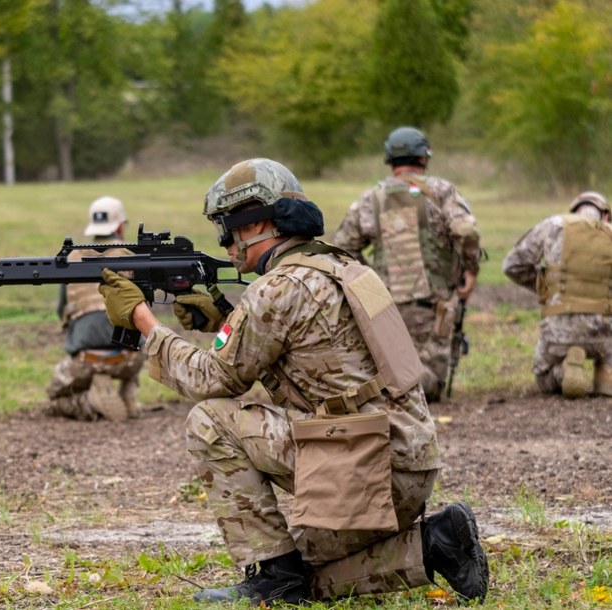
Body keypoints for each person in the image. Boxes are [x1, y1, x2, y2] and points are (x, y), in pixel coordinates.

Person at [97, 158, 489, 606]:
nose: (225, 242)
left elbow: (213, 379)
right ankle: (437, 542)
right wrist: (228, 320)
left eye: (229, 227)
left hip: (366, 468)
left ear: (259, 222)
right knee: (306, 575)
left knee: (210, 421)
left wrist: (142, 321)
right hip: (406, 462)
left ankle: (273, 577)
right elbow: (320, 357)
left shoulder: (277, 289)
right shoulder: (347, 267)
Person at [334, 127, 482, 402]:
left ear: (390, 161)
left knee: (395, 372)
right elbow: (467, 232)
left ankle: (388, 383)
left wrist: (370, 286)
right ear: (424, 159)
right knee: (430, 387)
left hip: (383, 307)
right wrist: (470, 269)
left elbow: (342, 246)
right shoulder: (441, 191)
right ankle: (407, 385)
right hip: (434, 306)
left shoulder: (371, 198)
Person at [503, 191, 612, 399]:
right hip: (606, 332)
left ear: (574, 212)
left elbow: (512, 265)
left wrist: (549, 289)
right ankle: (606, 371)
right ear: (606, 216)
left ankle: (562, 371)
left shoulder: (553, 225)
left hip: (560, 331)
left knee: (543, 376)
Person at [46, 196, 146, 421]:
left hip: (86, 360)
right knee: (137, 333)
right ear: (120, 226)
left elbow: (62, 310)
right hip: (129, 359)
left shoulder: (71, 259)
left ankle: (90, 401)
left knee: (54, 398)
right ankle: (128, 394)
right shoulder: (131, 258)